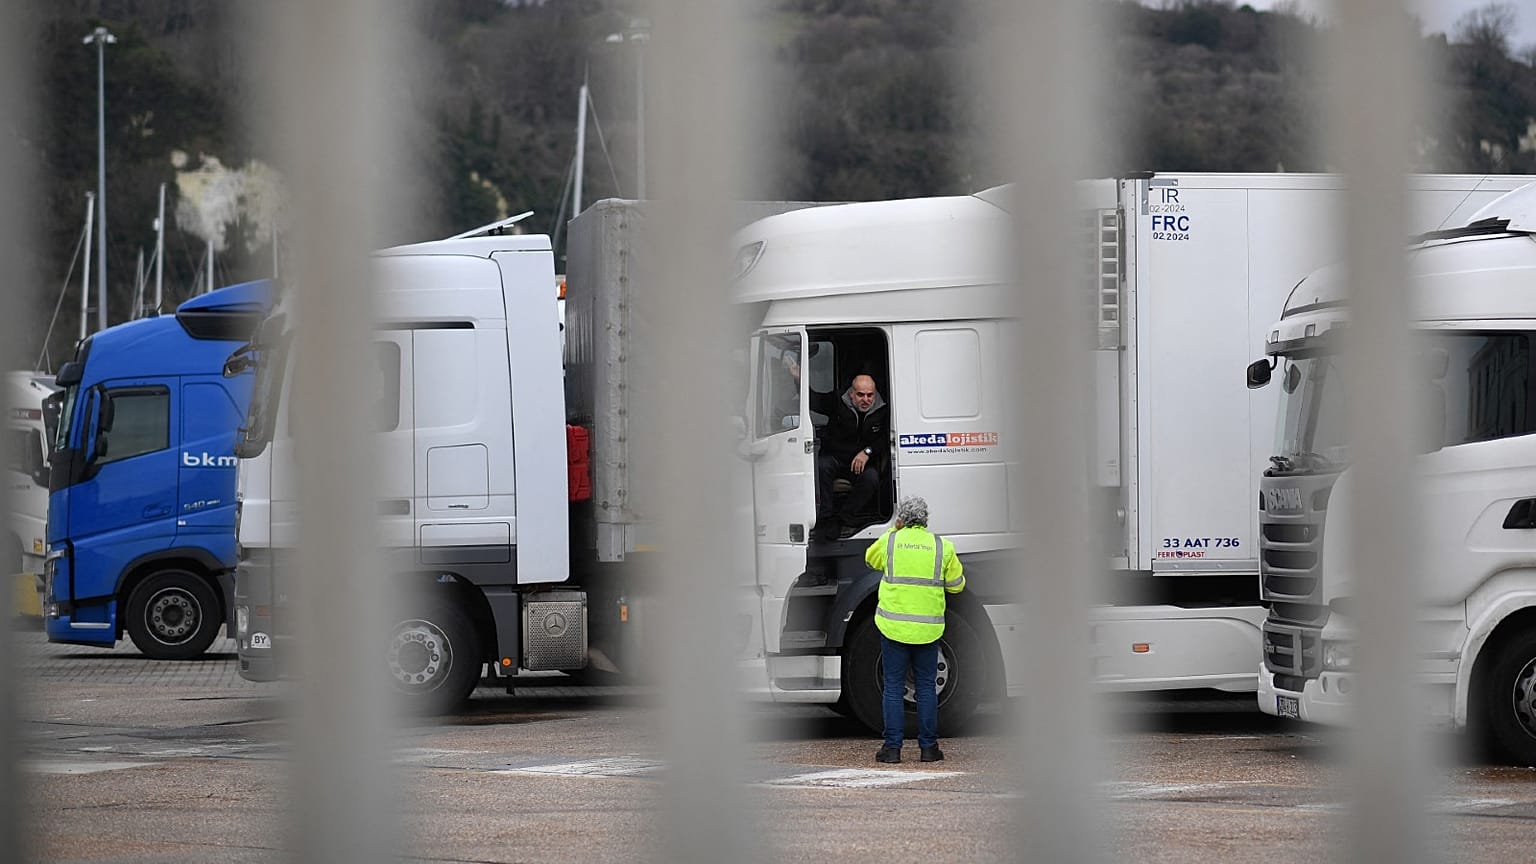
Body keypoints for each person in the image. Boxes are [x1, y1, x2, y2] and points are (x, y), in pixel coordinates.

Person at [864, 496, 964, 764]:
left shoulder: (891, 541)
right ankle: (929, 749)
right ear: (925, 519)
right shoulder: (942, 546)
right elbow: (956, 585)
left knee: (894, 688)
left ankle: (893, 749)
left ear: (902, 519)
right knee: (926, 688)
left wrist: (893, 529)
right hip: (927, 631)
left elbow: (870, 559)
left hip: (894, 628)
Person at [806, 372, 888, 540]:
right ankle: (825, 518)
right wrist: (798, 378)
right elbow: (814, 400)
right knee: (822, 466)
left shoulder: (883, 409)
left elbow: (886, 438)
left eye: (869, 395)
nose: (865, 399)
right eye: (860, 395)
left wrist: (867, 452)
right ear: (851, 393)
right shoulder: (838, 401)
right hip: (835, 457)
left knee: (871, 479)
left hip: (862, 462)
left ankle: (842, 519)